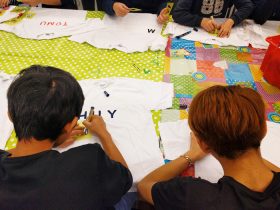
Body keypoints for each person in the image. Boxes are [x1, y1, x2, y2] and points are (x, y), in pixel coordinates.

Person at [0, 65, 132, 209]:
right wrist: (104, 135)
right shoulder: (89, 160)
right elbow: (125, 178)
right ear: (71, 125)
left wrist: (53, 142)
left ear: (10, 115)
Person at [138, 85, 280, 210]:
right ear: (265, 129)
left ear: (203, 144)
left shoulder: (193, 196)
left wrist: (190, 156)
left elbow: (145, 186)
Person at [172, 0, 254, 37]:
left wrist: (231, 21)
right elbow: (178, 13)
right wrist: (200, 21)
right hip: (194, 33)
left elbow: (248, 6)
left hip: (217, 36)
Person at [102, 0, 170, 24]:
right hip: (120, 21)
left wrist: (163, 11)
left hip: (152, 21)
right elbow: (103, 2)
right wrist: (112, 6)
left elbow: (166, 2)